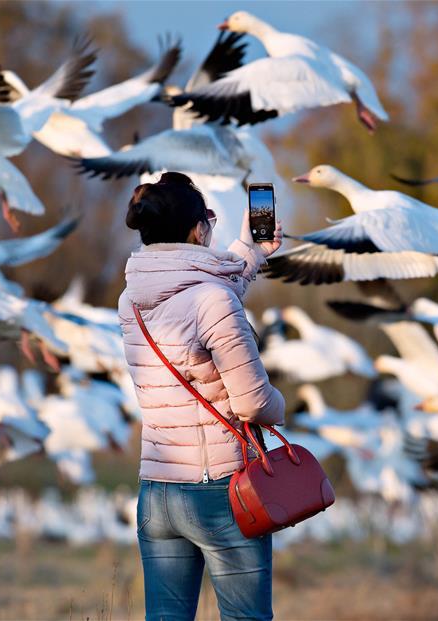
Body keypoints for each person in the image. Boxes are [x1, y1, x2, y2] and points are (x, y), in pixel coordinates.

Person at [118, 172, 285, 621]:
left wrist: (249, 253)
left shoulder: (130, 300)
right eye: (209, 219)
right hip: (220, 491)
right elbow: (252, 403)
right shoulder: (213, 300)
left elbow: (197, 296)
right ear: (197, 230)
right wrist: (282, 404)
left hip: (158, 492)